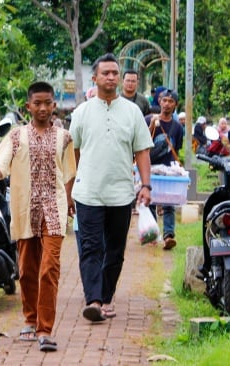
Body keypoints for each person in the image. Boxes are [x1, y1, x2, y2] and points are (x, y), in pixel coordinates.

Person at [0, 81, 76, 352]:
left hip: (54, 209)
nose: (43, 108)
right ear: (28, 106)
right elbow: (1, 163)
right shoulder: (16, 136)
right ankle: (30, 320)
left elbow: (69, 173)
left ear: (54, 105)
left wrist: (69, 198)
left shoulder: (64, 137)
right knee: (28, 270)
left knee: (49, 268)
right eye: (37, 103)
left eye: (48, 103)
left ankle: (45, 329)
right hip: (24, 209)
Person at [70, 53, 153, 322]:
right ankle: (93, 300)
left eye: (114, 73)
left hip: (121, 194)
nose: (111, 77)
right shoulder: (81, 113)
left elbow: (142, 151)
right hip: (88, 194)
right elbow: (74, 153)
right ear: (94, 78)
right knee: (91, 248)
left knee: (115, 251)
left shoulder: (132, 112)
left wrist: (146, 185)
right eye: (105, 73)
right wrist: (71, 189)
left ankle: (106, 298)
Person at [146, 89, 183, 250]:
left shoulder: (177, 127)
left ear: (175, 104)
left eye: (171, 101)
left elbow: (177, 147)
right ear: (160, 102)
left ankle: (168, 235)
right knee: (149, 202)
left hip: (168, 170)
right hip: (150, 168)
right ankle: (153, 234)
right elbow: (142, 142)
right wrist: (151, 126)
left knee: (169, 203)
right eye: (164, 100)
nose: (167, 104)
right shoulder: (150, 119)